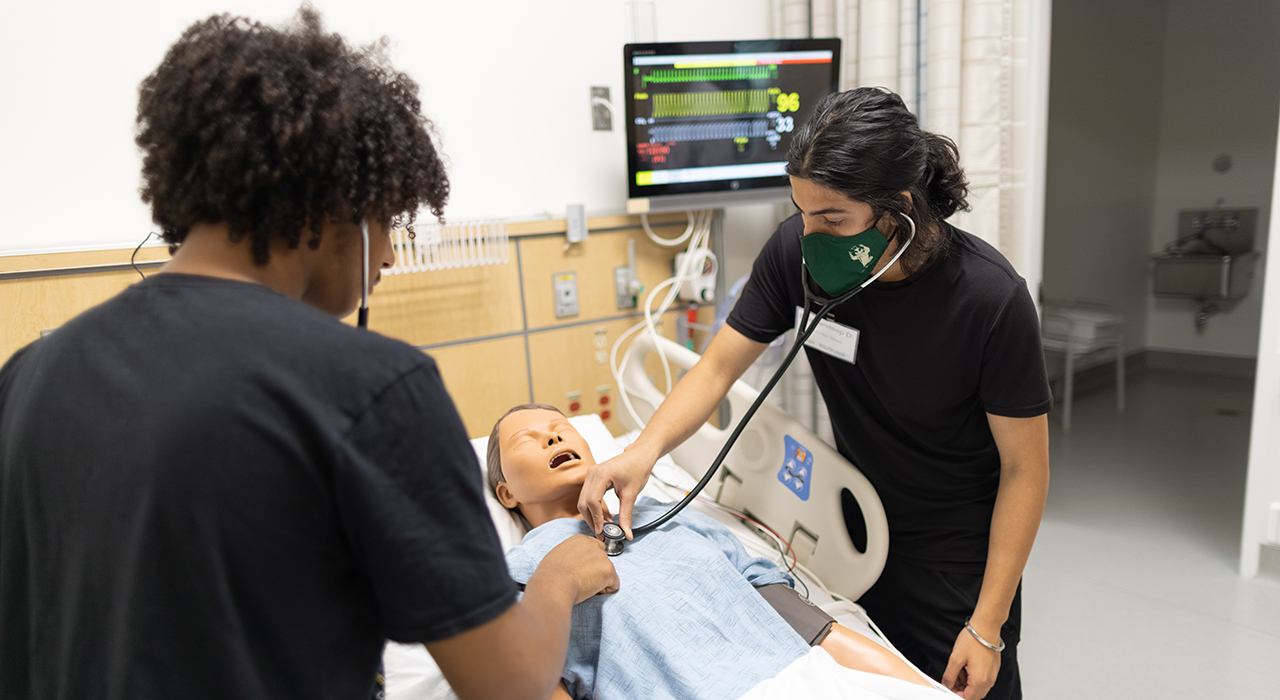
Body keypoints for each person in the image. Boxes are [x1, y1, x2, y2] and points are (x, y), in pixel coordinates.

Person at [0, 9, 616, 700]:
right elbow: (510, 684)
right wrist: (559, 576)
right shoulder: (372, 387)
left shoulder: (29, 376)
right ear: (346, 201)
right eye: (389, 220)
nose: (386, 253)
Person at [578, 88, 1051, 700]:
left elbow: (1025, 470)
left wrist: (986, 627)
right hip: (853, 525)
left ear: (899, 210)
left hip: (955, 553)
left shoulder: (989, 300)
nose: (809, 234)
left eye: (832, 220)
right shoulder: (794, 256)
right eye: (801, 211)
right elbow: (718, 367)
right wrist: (640, 454)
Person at [489, 404, 947, 700]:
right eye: (526, 440)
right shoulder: (515, 575)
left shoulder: (667, 513)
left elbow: (788, 612)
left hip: (803, 676)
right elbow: (527, 678)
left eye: (561, 429)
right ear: (505, 494)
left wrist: (919, 689)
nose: (552, 438)